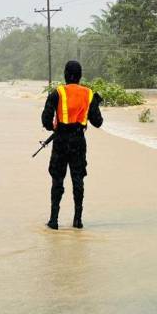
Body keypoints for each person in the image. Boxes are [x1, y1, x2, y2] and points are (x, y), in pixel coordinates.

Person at [41, 60, 103, 230]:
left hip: (60, 140)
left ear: (65, 75)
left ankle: (54, 221)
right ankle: (78, 220)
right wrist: (96, 103)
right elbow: (98, 122)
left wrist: (52, 126)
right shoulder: (89, 94)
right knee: (78, 179)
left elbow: (46, 120)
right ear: (80, 75)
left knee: (57, 179)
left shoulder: (57, 93)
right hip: (78, 141)